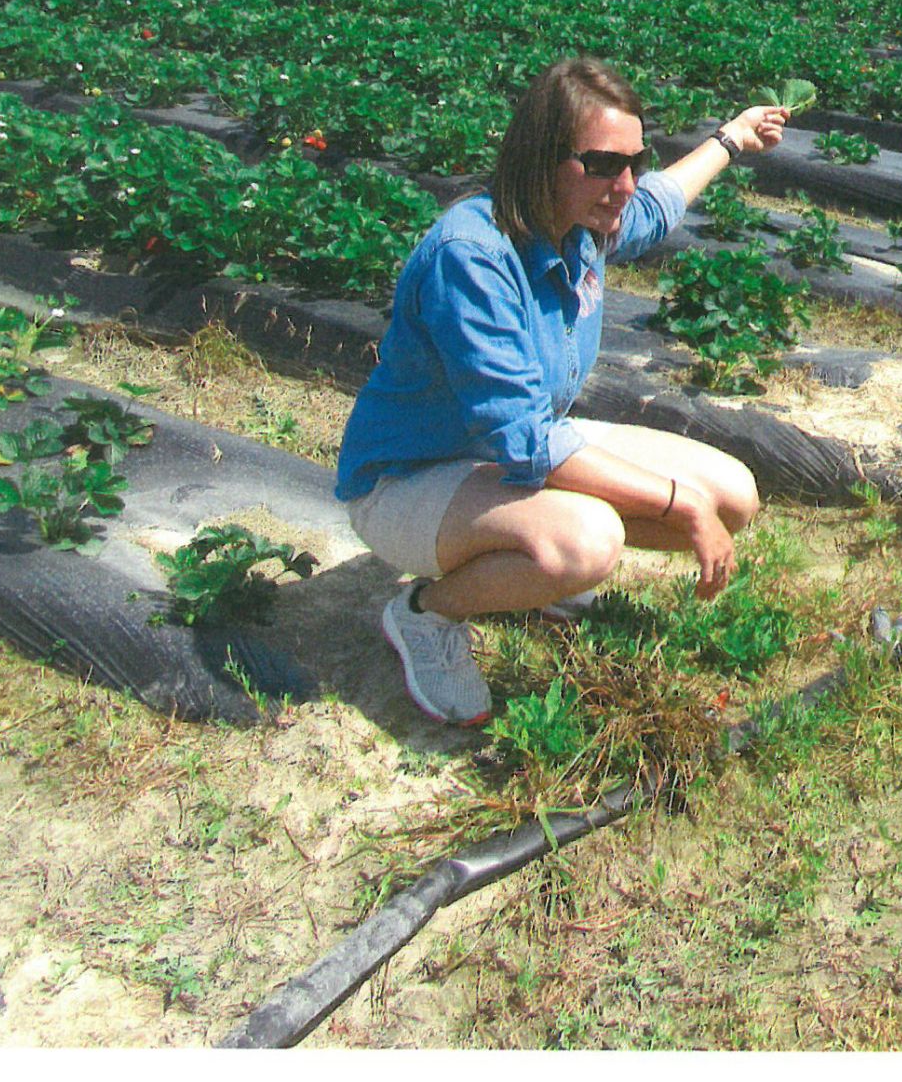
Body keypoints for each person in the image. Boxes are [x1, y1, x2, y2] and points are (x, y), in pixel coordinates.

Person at [336, 57, 790, 725]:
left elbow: (659, 204)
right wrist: (677, 503)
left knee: (733, 496)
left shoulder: (583, 224)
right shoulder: (473, 256)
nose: (624, 183)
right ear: (544, 158)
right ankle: (426, 616)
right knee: (587, 541)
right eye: (604, 164)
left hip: (512, 455)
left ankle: (520, 579)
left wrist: (731, 138)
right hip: (411, 478)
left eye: (634, 160)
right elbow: (523, 440)